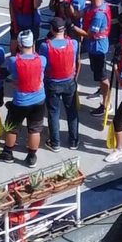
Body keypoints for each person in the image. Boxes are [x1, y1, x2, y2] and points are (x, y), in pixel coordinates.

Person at [4, 31, 48, 165]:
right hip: (39, 99)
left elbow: (11, 73)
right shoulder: (42, 60)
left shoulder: (13, 61)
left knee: (12, 128)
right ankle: (31, 157)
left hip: (20, 101)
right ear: (33, 43)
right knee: (35, 129)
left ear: (19, 44)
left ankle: (8, 153)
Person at [41, 17, 82, 152]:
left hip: (52, 82)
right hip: (69, 82)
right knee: (72, 111)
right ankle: (74, 141)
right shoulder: (73, 43)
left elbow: (43, 64)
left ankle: (55, 143)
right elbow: (77, 61)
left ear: (52, 30)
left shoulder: (45, 46)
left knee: (53, 113)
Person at [81, 0, 116, 116]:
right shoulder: (97, 6)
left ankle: (106, 104)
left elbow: (89, 34)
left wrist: (73, 28)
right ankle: (102, 91)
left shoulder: (99, 15)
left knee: (102, 77)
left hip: (98, 48)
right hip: (94, 47)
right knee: (99, 75)